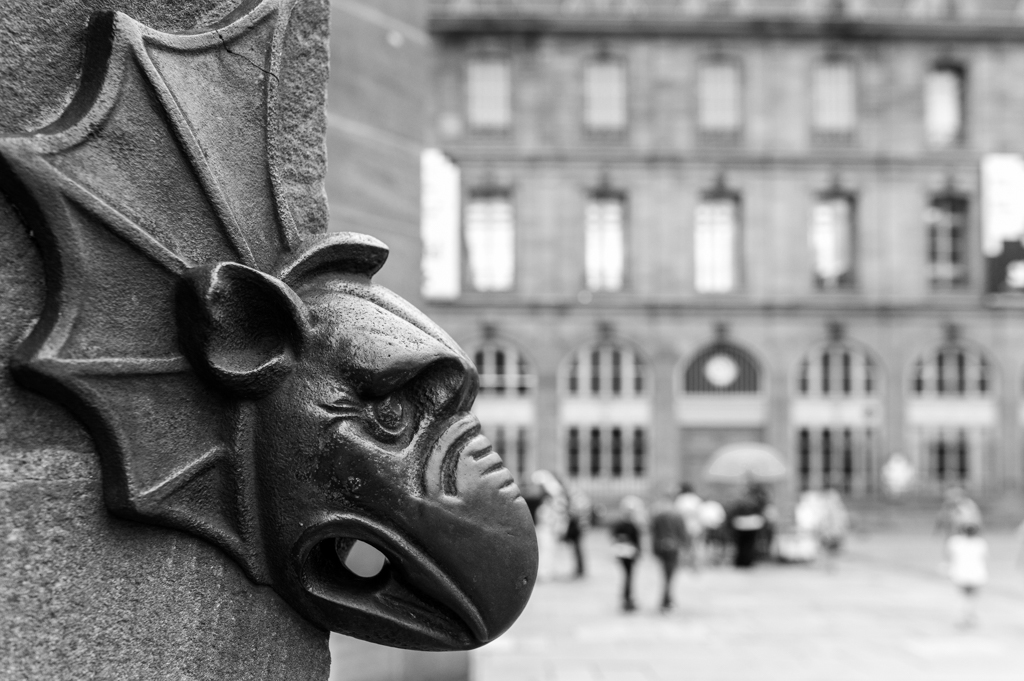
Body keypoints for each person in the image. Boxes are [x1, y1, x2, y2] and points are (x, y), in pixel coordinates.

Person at [650, 494, 689, 612]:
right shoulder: (677, 516)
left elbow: (654, 534)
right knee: (669, 575)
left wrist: (654, 550)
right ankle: (666, 601)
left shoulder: (658, 516)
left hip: (662, 547)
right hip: (673, 548)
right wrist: (685, 546)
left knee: (666, 575)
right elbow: (682, 533)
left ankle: (667, 599)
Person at [946, 523, 987, 628]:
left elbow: (949, 556)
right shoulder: (980, 543)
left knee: (961, 597)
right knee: (973, 598)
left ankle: (962, 617)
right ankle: (971, 617)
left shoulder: (955, 542)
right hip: (977, 574)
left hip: (960, 573)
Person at [531, 470, 569, 581]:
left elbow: (558, 515)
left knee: (548, 550)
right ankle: (545, 571)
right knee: (544, 550)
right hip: (543, 527)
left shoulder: (554, 501)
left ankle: (546, 572)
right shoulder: (546, 502)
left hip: (548, 528)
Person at [610, 496, 644, 612]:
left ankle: (626, 597)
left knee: (627, 576)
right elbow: (637, 541)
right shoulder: (631, 525)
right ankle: (627, 598)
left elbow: (613, 537)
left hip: (622, 553)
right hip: (628, 553)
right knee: (628, 577)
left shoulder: (620, 524)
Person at [728, 489, 766, 568]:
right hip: (744, 526)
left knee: (747, 545)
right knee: (744, 545)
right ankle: (743, 561)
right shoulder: (750, 505)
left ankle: (745, 561)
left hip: (747, 526)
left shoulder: (748, 505)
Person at [674, 483, 704, 570]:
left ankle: (683, 563)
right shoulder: (696, 499)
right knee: (696, 545)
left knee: (683, 545)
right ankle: (696, 564)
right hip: (695, 526)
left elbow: (676, 514)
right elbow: (701, 514)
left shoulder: (680, 499)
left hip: (683, 526)